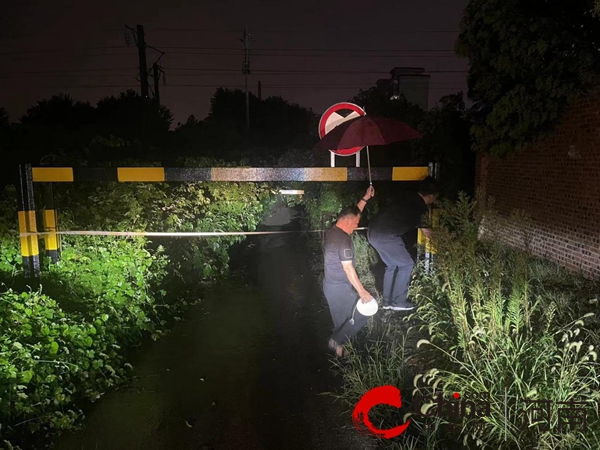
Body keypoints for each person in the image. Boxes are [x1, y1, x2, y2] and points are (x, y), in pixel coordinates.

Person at [367, 176, 439, 311]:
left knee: (392, 265)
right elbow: (426, 231)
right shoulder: (421, 207)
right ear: (430, 196)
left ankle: (388, 302)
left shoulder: (408, 196)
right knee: (407, 264)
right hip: (385, 234)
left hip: (373, 231)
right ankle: (399, 302)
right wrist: (441, 237)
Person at [322, 186, 375, 357]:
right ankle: (336, 342)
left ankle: (340, 354)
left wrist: (365, 198)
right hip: (340, 288)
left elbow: (354, 214)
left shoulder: (332, 231)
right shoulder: (344, 242)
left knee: (342, 321)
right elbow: (348, 268)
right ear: (347, 222)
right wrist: (362, 292)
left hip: (330, 285)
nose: (356, 227)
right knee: (359, 315)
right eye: (356, 224)